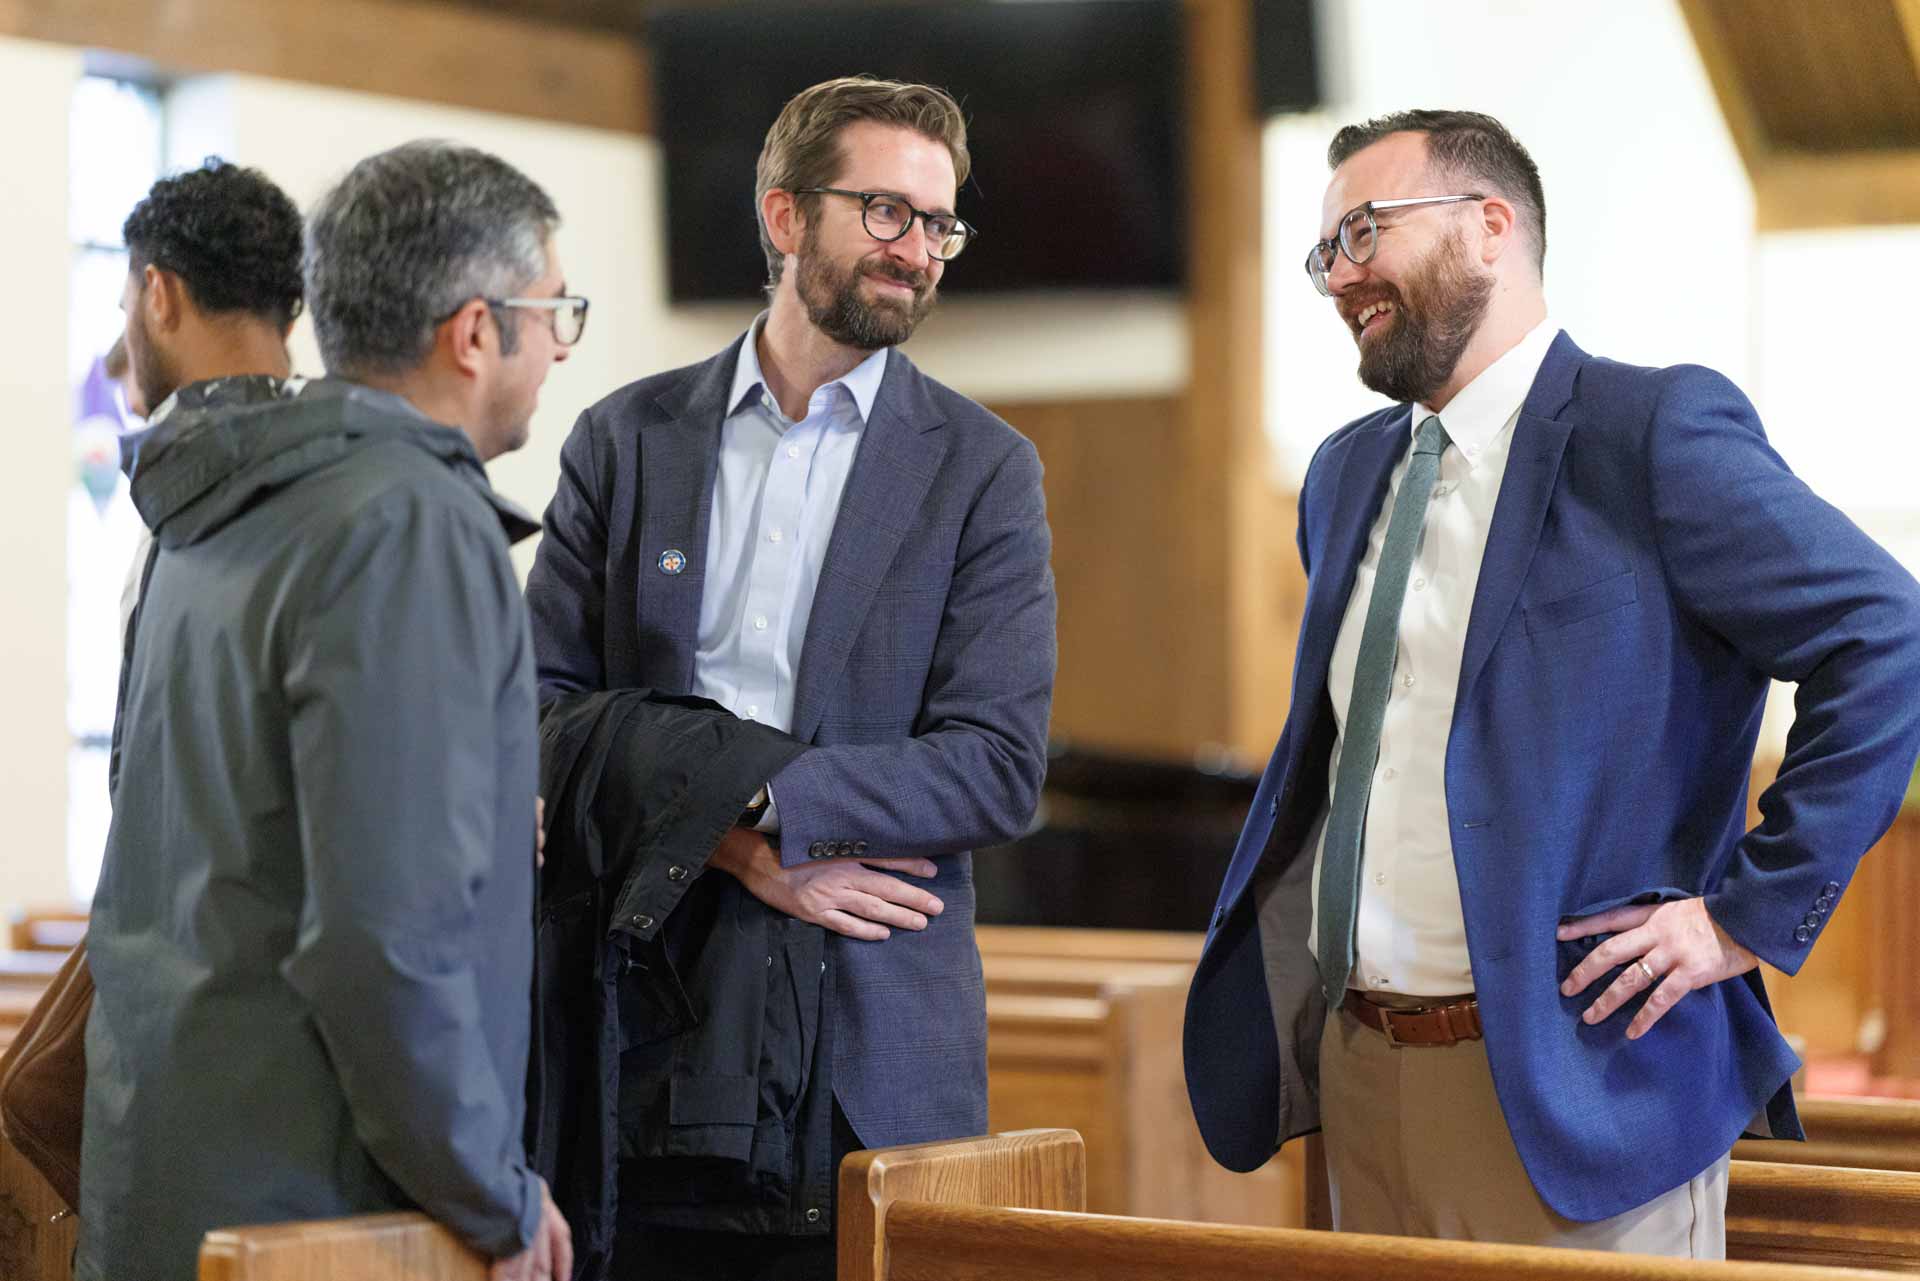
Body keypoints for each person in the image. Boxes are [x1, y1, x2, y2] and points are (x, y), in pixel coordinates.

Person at [1182, 109, 1920, 1256]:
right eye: (1327, 250)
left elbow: (1885, 635)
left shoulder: (1651, 431)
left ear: (1490, 227)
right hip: (1361, 1072)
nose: (1342, 274)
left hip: (1580, 1081)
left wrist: (1745, 917)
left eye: (1366, 231)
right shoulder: (1344, 475)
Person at [526, 75, 1056, 1279]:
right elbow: (543, 717)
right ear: (783, 217)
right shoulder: (625, 440)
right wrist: (736, 845)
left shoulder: (983, 472)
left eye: (938, 224)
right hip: (639, 1017)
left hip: (870, 1050)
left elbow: (998, 767)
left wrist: (770, 806)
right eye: (884, 212)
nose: (917, 250)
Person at [79, 140, 583, 1281]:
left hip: (175, 1169)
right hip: (325, 1204)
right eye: (554, 311)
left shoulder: (213, 500)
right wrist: (491, 1195)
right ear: (472, 330)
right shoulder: (408, 519)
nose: (558, 345)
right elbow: (381, 939)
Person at [105, 157, 303, 642]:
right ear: (288, 323)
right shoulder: (350, 472)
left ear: (158, 296)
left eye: (125, 309)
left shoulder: (196, 492)